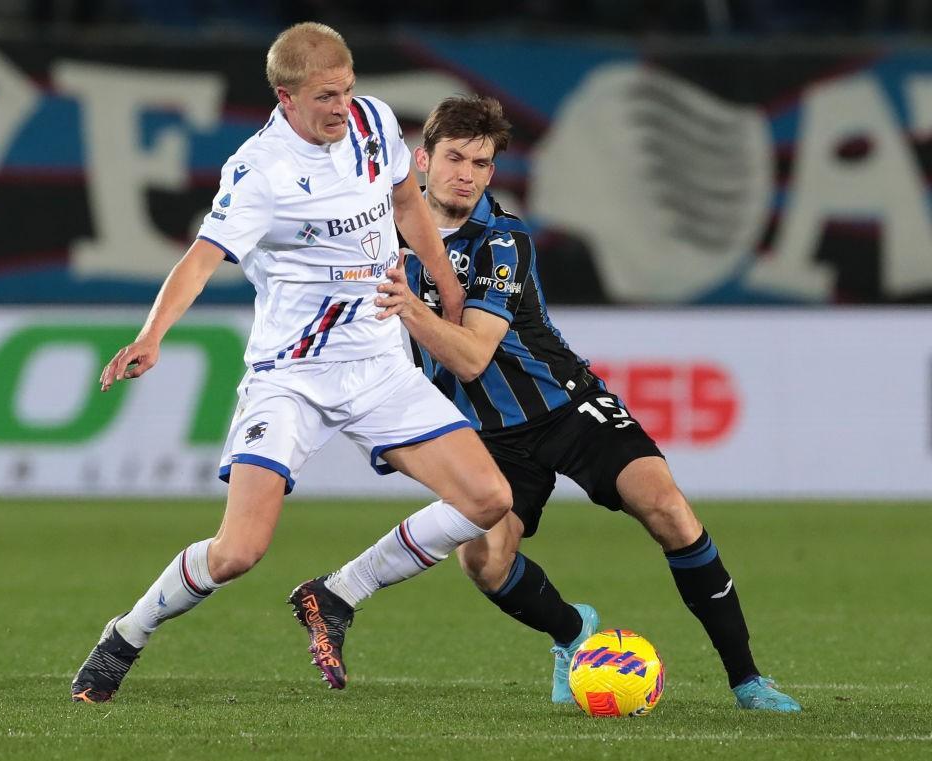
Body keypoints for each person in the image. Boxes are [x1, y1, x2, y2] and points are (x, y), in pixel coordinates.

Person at [309, 95, 801, 712]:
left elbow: (472, 358)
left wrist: (409, 306)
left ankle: (747, 679)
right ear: (421, 160)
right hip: (483, 433)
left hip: (565, 406)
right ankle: (574, 634)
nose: (467, 174)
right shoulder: (377, 232)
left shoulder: (503, 240)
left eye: (482, 163)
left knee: (668, 509)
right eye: (455, 158)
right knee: (484, 563)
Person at [70, 24, 512, 703]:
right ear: (286, 97)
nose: (343, 106)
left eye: (349, 89)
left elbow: (402, 203)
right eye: (327, 96)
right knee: (238, 551)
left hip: (378, 361)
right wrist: (152, 334)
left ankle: (336, 594)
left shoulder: (375, 123)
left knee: (488, 499)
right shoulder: (261, 170)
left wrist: (446, 284)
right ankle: (128, 631)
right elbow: (201, 258)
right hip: (292, 376)